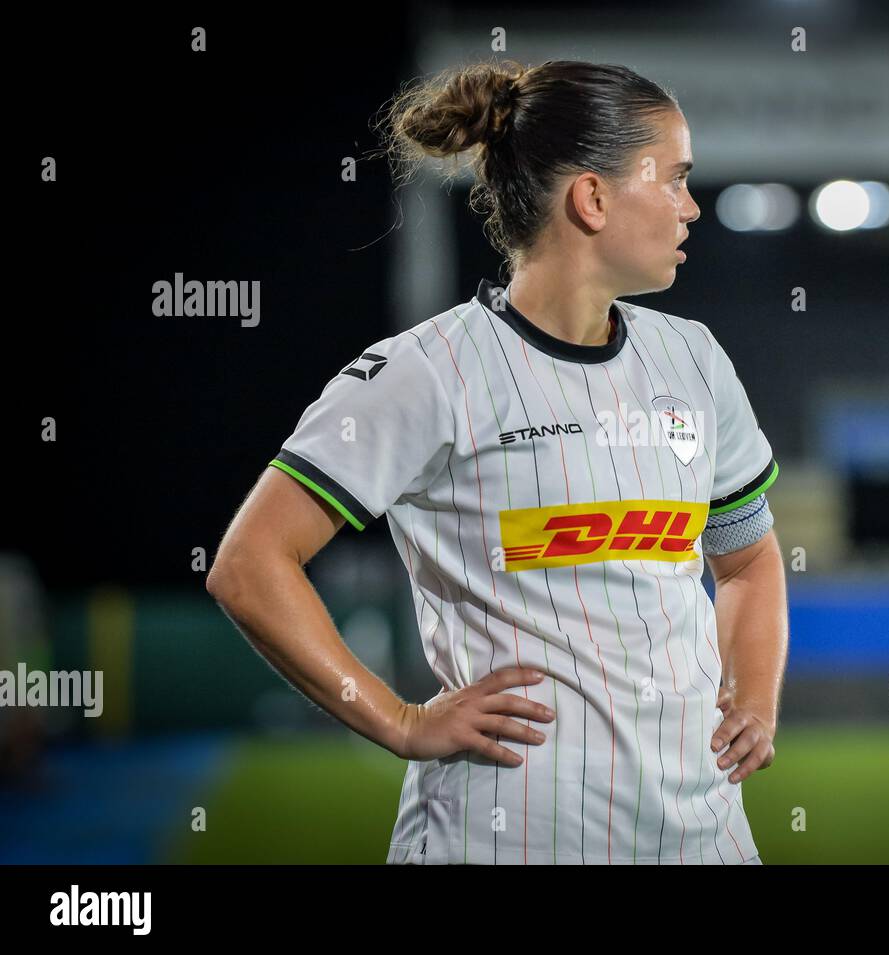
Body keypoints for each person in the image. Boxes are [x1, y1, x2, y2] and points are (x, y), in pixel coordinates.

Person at [207, 59, 788, 865]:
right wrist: (400, 721)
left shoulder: (695, 361)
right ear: (592, 197)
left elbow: (751, 560)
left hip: (704, 839)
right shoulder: (426, 371)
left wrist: (754, 698)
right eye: (676, 179)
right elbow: (248, 564)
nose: (692, 207)